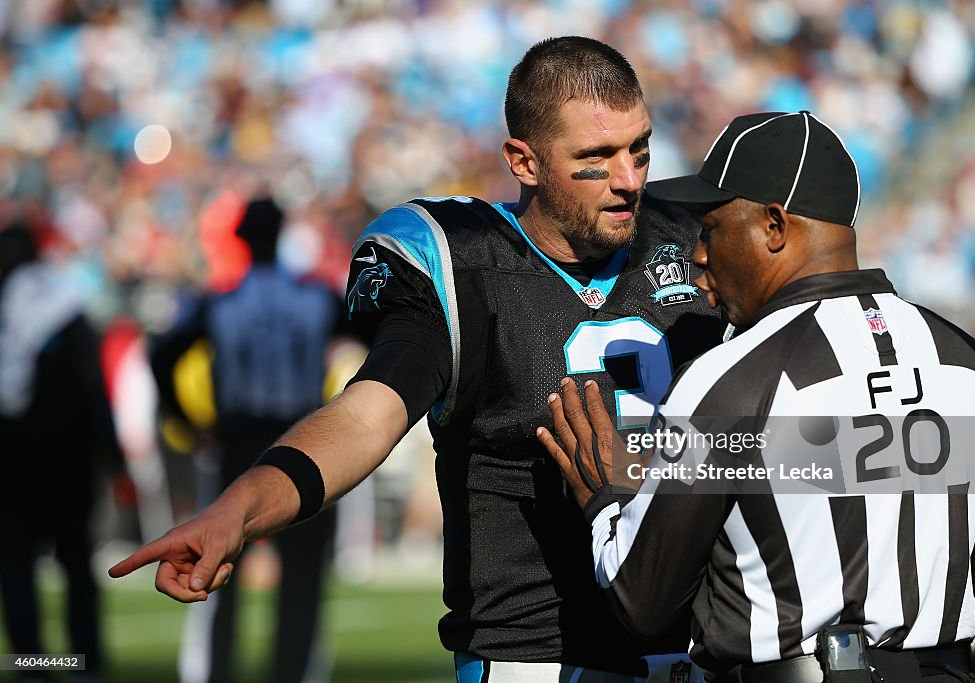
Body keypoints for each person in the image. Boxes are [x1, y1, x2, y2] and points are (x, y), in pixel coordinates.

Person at [109, 36, 724, 681]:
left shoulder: (698, 240)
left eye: (640, 150)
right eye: (595, 158)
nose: (629, 179)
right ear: (524, 161)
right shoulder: (463, 262)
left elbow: (811, 437)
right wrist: (236, 511)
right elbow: (364, 417)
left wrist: (676, 457)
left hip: (694, 654)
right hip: (532, 657)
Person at [538, 111, 975, 683]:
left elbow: (642, 603)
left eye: (712, 229)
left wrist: (607, 498)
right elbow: (967, 575)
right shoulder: (973, 365)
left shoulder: (733, 380)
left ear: (773, 226)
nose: (697, 256)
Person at [147, 196, 347, 683]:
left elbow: (162, 354)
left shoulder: (220, 300)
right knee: (302, 578)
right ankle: (291, 673)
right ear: (281, 234)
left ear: (240, 237)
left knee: (215, 567)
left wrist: (186, 418)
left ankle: (216, 671)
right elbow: (376, 338)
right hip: (301, 442)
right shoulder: (316, 297)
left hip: (239, 441)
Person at [0, 219, 131, 683]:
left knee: (17, 566)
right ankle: (83, 661)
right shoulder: (64, 304)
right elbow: (93, 388)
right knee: (75, 560)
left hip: (13, 463)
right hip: (69, 459)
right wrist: (112, 454)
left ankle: (34, 664)